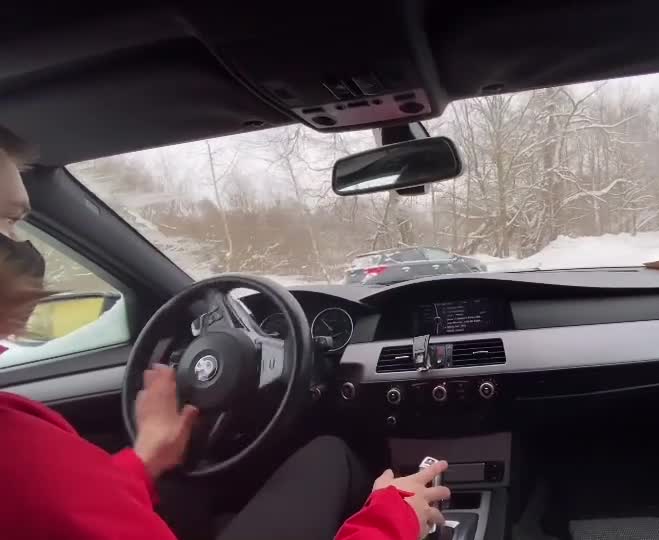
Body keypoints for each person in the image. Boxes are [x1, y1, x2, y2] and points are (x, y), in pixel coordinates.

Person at [0, 126, 448, 539]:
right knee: (330, 453)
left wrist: (146, 458)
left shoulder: (24, 453)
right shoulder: (23, 453)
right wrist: (393, 518)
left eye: (19, 223)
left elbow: (80, 507)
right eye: (8, 222)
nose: (23, 247)